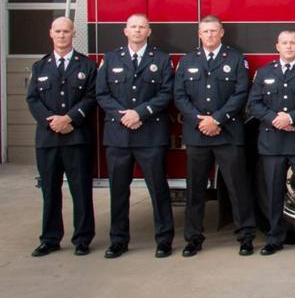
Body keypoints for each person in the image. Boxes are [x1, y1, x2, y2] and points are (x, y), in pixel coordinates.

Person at [174, 16, 255, 257]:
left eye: (213, 31)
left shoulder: (235, 59)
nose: (209, 35)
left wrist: (217, 120)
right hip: (198, 134)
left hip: (227, 133)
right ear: (199, 34)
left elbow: (241, 93)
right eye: (205, 31)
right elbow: (179, 96)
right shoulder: (187, 61)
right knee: (195, 189)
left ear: (222, 33)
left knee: (237, 188)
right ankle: (193, 238)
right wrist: (201, 121)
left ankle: (246, 236)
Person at [95, 14, 175, 258]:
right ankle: (118, 240)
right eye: (133, 27)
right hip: (118, 135)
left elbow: (166, 93)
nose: (138, 30)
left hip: (150, 135)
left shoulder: (161, 60)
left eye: (142, 27)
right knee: (119, 192)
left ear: (149, 31)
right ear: (125, 31)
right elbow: (101, 93)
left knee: (158, 190)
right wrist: (123, 115)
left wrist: (140, 113)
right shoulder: (110, 59)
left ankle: (164, 240)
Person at [247, 29, 295, 256]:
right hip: (273, 140)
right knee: (273, 192)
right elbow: (254, 104)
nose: (288, 47)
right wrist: (276, 120)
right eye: (284, 43)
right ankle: (274, 238)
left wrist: (292, 118)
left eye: (292, 43)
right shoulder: (263, 73)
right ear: (277, 46)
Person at [27, 17, 97, 257]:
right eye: (57, 31)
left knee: (81, 189)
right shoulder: (40, 67)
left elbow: (91, 97)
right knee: (50, 191)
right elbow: (33, 99)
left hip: (77, 138)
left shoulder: (87, 66)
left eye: (66, 31)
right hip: (48, 139)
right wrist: (52, 121)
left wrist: (69, 119)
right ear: (51, 34)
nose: (61, 35)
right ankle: (50, 239)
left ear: (73, 34)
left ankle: (82, 238)